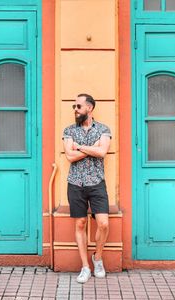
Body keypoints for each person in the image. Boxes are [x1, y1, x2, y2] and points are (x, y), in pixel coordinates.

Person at [63, 93, 111, 284]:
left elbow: (102, 152)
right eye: (74, 107)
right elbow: (69, 156)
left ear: (89, 108)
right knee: (80, 224)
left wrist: (79, 147)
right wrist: (92, 148)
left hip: (97, 183)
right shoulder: (68, 130)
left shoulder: (103, 129)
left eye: (78, 106)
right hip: (75, 183)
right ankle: (85, 267)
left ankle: (97, 258)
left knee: (104, 224)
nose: (75, 110)